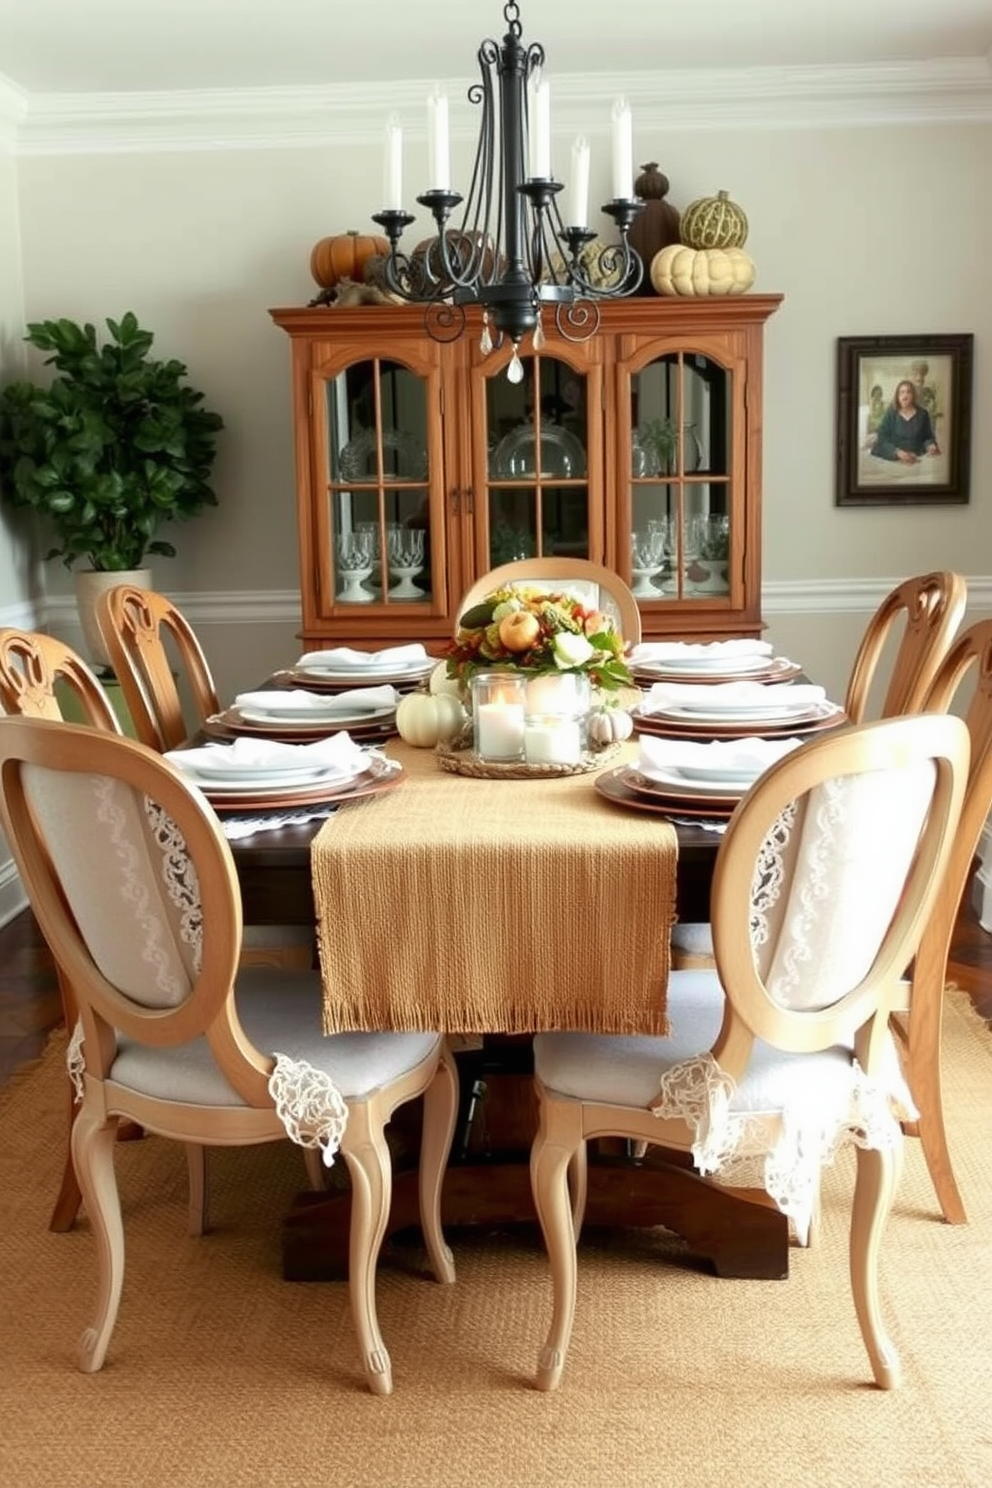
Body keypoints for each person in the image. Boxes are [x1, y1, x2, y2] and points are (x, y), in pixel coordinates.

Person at [864, 379, 940, 464]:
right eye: (902, 392)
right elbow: (882, 437)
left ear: (913, 395)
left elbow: (928, 436)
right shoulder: (891, 413)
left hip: (916, 458)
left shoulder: (923, 414)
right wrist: (897, 452)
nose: (905, 396)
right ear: (897, 396)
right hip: (893, 458)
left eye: (908, 392)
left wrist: (930, 445)